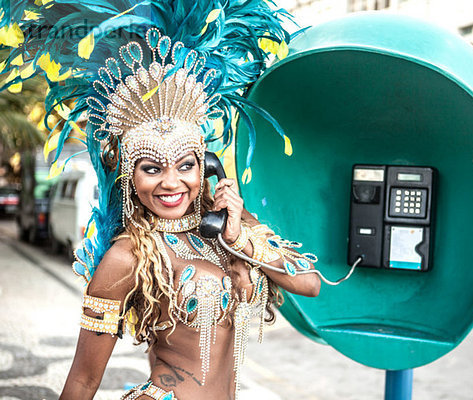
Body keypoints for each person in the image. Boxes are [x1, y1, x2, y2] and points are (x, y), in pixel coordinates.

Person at [0, 1, 321, 399]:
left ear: (205, 166)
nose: (172, 183)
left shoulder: (229, 226)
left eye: (185, 165)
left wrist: (238, 239)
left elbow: (309, 283)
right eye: (152, 168)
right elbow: (83, 380)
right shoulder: (128, 255)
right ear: (129, 176)